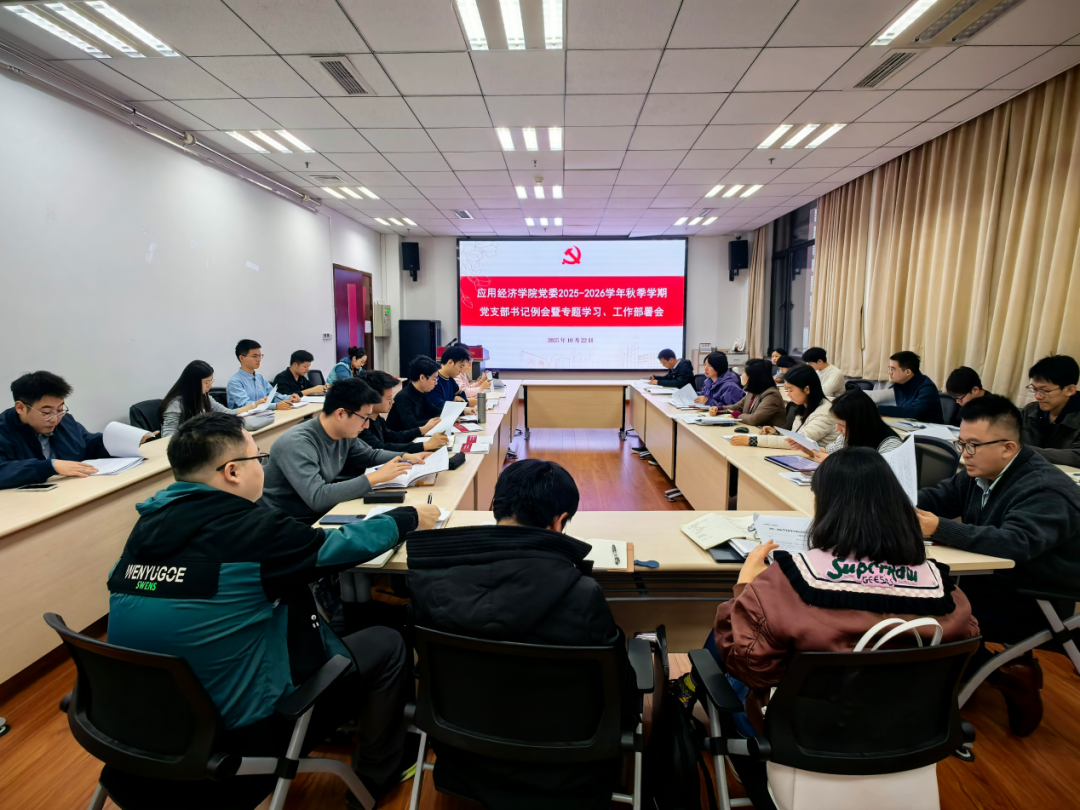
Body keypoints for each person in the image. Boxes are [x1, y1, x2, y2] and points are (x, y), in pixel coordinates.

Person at [106, 411, 439, 805]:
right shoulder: (253, 531)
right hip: (234, 743)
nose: (262, 468)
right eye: (258, 459)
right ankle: (377, 771)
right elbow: (340, 546)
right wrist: (407, 517)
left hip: (134, 733)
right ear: (232, 471)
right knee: (386, 643)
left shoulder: (146, 526)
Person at [407, 459, 635, 809]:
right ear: (559, 521)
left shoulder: (429, 580)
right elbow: (620, 686)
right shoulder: (583, 595)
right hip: (567, 770)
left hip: (462, 756)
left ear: (494, 507)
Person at [712, 448, 978, 743]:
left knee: (721, 653)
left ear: (826, 506)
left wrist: (745, 587)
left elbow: (750, 668)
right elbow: (963, 646)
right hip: (908, 735)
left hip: (804, 738)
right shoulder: (947, 592)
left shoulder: (783, 584)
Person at [916, 395, 1080, 736]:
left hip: (1032, 598)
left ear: (1008, 447)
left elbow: (1015, 543)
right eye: (962, 443)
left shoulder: (1045, 489)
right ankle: (984, 668)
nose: (964, 454)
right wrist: (890, 499)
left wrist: (939, 527)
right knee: (909, 587)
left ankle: (998, 671)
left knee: (919, 603)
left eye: (973, 446)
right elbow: (938, 498)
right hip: (992, 580)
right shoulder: (980, 472)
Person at [260, 377, 428, 524]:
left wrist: (406, 456)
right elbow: (318, 497)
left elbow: (370, 455)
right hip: (287, 522)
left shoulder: (344, 433)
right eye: (365, 418)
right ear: (340, 414)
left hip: (318, 513)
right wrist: (375, 477)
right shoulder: (298, 443)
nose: (366, 426)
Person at [0, 371, 148, 489]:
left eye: (59, 410)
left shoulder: (65, 421)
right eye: (46, 413)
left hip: (72, 491)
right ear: (20, 407)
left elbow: (88, 444)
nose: (54, 419)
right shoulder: (4, 431)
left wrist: (125, 441)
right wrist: (50, 466)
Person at [730, 364, 839, 449]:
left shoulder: (824, 413)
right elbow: (798, 435)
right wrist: (777, 433)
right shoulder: (805, 407)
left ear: (806, 389)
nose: (788, 394)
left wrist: (751, 440)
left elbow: (797, 442)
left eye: (790, 390)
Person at [788, 389, 903, 463]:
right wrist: (807, 447)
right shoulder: (852, 434)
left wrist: (833, 462)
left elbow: (877, 477)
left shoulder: (890, 444)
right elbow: (828, 451)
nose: (838, 429)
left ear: (858, 423)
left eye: (841, 425)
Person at [159, 360, 258, 438]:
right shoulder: (175, 404)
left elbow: (227, 413)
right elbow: (167, 436)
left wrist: (255, 405)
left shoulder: (205, 397)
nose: (210, 386)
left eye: (211, 382)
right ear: (194, 383)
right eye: (207, 383)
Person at [359, 370, 451, 454]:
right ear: (373, 399)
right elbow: (380, 449)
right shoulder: (361, 425)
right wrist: (425, 445)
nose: (392, 402)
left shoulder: (378, 419)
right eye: (389, 399)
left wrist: (422, 430)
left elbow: (392, 436)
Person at [1020, 354, 1080, 468]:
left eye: (1044, 391)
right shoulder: (1030, 410)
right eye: (1035, 389)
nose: (1038, 396)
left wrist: (1023, 451)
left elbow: (1077, 456)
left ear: (1070, 390)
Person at [227, 339, 300, 410]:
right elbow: (246, 405)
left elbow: (273, 396)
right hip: (244, 417)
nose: (259, 359)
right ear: (242, 358)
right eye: (255, 356)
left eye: (260, 356)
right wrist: (275, 406)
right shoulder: (235, 382)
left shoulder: (259, 377)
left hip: (264, 414)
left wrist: (289, 398)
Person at [711, 359, 786, 427]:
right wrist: (719, 410)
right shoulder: (753, 391)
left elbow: (754, 419)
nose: (742, 375)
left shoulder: (771, 395)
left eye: (744, 373)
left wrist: (736, 415)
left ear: (753, 377)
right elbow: (737, 407)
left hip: (772, 435)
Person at [877, 351, 944, 423]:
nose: (889, 373)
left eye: (893, 369)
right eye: (889, 369)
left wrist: (877, 408)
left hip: (929, 428)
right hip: (905, 425)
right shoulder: (899, 385)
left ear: (908, 372)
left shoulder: (927, 387)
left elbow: (914, 412)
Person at [387, 356, 444, 433]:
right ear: (422, 378)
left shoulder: (421, 393)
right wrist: (437, 421)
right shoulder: (403, 397)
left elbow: (433, 411)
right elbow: (411, 425)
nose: (436, 383)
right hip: (403, 438)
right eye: (434, 379)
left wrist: (450, 414)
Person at [429, 345, 476, 410]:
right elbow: (439, 406)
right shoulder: (434, 381)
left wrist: (460, 400)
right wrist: (460, 408)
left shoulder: (450, 379)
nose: (461, 371)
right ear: (450, 362)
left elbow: (461, 393)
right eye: (460, 366)